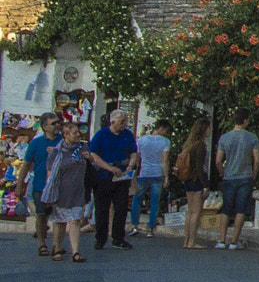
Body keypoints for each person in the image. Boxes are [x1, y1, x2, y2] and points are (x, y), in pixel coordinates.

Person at [88, 108, 139, 251]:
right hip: (104, 177)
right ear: (112, 122)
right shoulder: (101, 135)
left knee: (121, 208)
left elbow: (133, 153)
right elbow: (93, 156)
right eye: (121, 122)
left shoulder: (128, 135)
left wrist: (130, 166)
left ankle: (118, 238)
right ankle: (100, 238)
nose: (124, 124)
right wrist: (108, 168)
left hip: (121, 178)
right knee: (102, 209)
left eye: (125, 122)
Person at [42, 121, 92, 263]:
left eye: (78, 132)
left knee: (75, 220)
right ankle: (57, 248)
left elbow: (91, 163)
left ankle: (75, 252)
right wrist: (49, 193)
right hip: (60, 191)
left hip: (78, 191)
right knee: (59, 222)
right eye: (74, 132)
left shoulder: (82, 147)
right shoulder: (56, 152)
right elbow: (50, 174)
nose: (78, 135)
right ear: (66, 135)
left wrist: (89, 157)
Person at [12, 114, 60, 256]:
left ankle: (56, 245)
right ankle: (42, 244)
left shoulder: (62, 142)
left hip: (59, 185)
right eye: (53, 123)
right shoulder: (36, 143)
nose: (57, 125)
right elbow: (26, 165)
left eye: (58, 122)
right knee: (41, 215)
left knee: (58, 216)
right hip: (40, 184)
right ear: (45, 127)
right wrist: (19, 186)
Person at [215, 112, 259, 250]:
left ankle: (222, 240)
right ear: (245, 120)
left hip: (229, 176)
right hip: (245, 176)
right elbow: (257, 160)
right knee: (241, 209)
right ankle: (234, 241)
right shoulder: (252, 138)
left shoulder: (225, 138)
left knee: (226, 209)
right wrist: (254, 174)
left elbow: (218, 161)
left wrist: (222, 172)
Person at [130, 120, 172, 237]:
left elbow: (137, 158)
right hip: (157, 173)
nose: (166, 133)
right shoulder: (165, 142)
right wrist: (166, 177)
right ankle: (150, 228)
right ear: (161, 129)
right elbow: (165, 161)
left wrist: (136, 171)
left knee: (137, 199)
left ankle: (134, 225)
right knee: (154, 201)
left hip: (144, 172)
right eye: (166, 131)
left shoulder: (141, 140)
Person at [175, 120, 211, 251]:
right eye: (208, 128)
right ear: (204, 129)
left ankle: (186, 240)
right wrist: (205, 185)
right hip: (197, 180)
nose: (210, 130)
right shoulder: (200, 145)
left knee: (190, 211)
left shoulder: (189, 144)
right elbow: (199, 167)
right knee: (196, 211)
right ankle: (192, 241)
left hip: (188, 179)